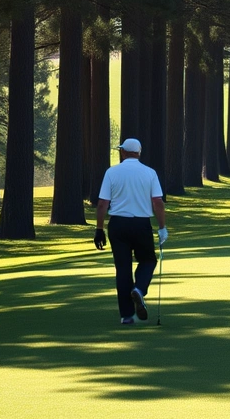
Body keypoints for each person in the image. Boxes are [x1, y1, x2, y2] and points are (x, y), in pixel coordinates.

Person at [95, 138, 169, 325]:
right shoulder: (149, 173)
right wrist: (162, 228)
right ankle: (139, 289)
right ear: (139, 152)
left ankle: (127, 315)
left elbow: (103, 203)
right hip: (141, 224)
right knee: (148, 260)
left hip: (118, 225)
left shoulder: (112, 172)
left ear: (123, 152)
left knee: (123, 268)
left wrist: (99, 229)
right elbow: (158, 202)